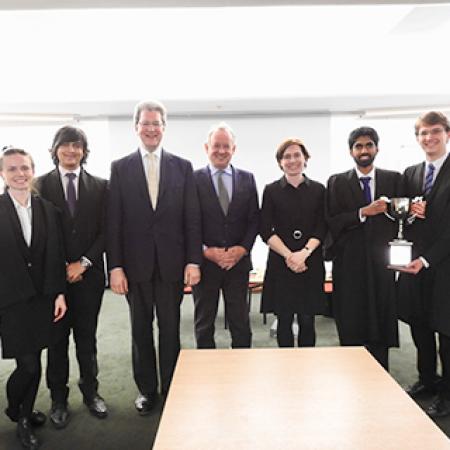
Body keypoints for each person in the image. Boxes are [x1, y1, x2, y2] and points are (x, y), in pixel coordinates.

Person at [107, 99, 202, 414]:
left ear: (164, 127)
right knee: (140, 330)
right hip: (135, 267)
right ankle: (147, 390)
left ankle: (173, 385)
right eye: (145, 123)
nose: (150, 129)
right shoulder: (120, 168)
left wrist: (193, 260)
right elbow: (114, 223)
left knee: (171, 329)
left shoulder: (183, 167)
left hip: (172, 265)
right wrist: (116, 267)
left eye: (156, 123)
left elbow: (192, 219)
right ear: (136, 127)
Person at [35, 126, 108, 428]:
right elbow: (39, 235)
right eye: (65, 146)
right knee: (56, 340)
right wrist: (63, 267)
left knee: (86, 338)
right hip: (54, 280)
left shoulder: (102, 186)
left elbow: (107, 231)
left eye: (77, 146)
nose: (71, 151)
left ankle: (91, 392)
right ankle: (58, 399)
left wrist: (84, 263)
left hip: (89, 277)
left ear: (84, 151)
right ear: (55, 150)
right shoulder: (39, 185)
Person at [0, 147, 67, 450]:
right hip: (10, 301)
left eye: (25, 168)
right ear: (3, 174)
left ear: (33, 170)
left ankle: (23, 413)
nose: (19, 174)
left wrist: (59, 294)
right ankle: (17, 411)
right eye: (12, 169)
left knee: (36, 361)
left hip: (42, 298)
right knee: (27, 364)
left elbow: (55, 256)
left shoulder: (47, 209)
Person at [325, 127, 401, 370]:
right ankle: (352, 376)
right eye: (358, 146)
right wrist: (362, 212)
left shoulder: (395, 179)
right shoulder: (337, 182)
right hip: (350, 263)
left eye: (369, 145)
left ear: (377, 148)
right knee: (351, 320)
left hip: (382, 262)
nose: (364, 150)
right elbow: (332, 222)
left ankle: (383, 376)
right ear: (351, 152)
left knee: (381, 318)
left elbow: (405, 219)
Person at [399, 111, 450, 417]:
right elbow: (403, 220)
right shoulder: (411, 173)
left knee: (446, 332)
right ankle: (427, 380)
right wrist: (409, 214)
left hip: (444, 266)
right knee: (419, 325)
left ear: (447, 134)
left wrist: (428, 259)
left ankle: (447, 392)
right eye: (422, 133)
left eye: (435, 132)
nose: (428, 138)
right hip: (414, 265)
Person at [192, 123, 259, 349]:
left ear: (234, 149)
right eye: (216, 146)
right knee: (204, 322)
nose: (221, 151)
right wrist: (205, 251)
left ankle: (241, 370)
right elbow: (189, 221)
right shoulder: (192, 179)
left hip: (237, 264)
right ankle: (206, 371)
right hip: (205, 263)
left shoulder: (247, 179)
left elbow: (254, 220)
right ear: (206, 147)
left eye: (226, 146)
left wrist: (242, 249)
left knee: (240, 321)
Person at [260, 138, 326, 347]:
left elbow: (322, 227)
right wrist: (290, 256)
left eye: (297, 155)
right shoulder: (271, 190)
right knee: (284, 320)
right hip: (281, 263)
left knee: (308, 320)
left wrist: (303, 253)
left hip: (310, 262)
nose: (292, 160)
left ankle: (307, 369)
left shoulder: (318, 190)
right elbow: (265, 230)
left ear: (305, 159)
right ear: (280, 162)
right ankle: (285, 370)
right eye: (286, 156)